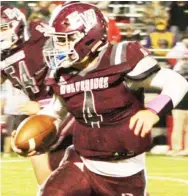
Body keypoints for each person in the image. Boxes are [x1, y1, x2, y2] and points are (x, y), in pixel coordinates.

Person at [11, 2, 188, 196]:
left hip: (125, 170)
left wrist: (153, 110)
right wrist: (37, 132)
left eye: (66, 39)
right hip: (82, 162)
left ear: (89, 37)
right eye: (58, 40)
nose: (59, 46)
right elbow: (56, 110)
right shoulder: (63, 72)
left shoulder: (119, 57)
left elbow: (178, 82)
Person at [0, 4, 73, 185]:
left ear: (17, 24)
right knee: (34, 151)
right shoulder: (2, 56)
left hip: (66, 100)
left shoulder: (39, 32)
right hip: (41, 108)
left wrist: (43, 105)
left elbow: (72, 62)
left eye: (2, 28)